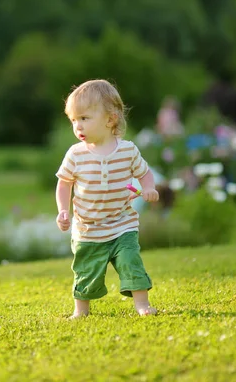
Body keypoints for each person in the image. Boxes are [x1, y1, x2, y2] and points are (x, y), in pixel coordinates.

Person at [55, 79, 159, 319]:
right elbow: (64, 183)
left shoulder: (127, 150)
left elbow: (144, 173)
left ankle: (142, 305)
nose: (77, 126)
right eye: (73, 120)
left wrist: (149, 187)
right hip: (88, 229)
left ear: (110, 119)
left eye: (84, 118)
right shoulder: (76, 154)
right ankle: (81, 310)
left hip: (123, 223)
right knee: (86, 270)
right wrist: (63, 210)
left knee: (131, 261)